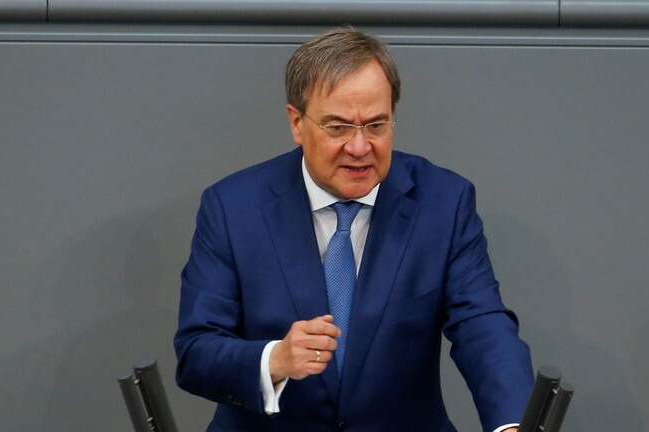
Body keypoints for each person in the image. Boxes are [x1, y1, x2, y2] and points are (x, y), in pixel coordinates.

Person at [174, 26, 533, 432]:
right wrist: (275, 359)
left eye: (375, 125)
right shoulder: (233, 208)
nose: (360, 148)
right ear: (297, 122)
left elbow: (482, 326)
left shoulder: (443, 203)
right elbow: (197, 351)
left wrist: (512, 423)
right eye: (338, 127)